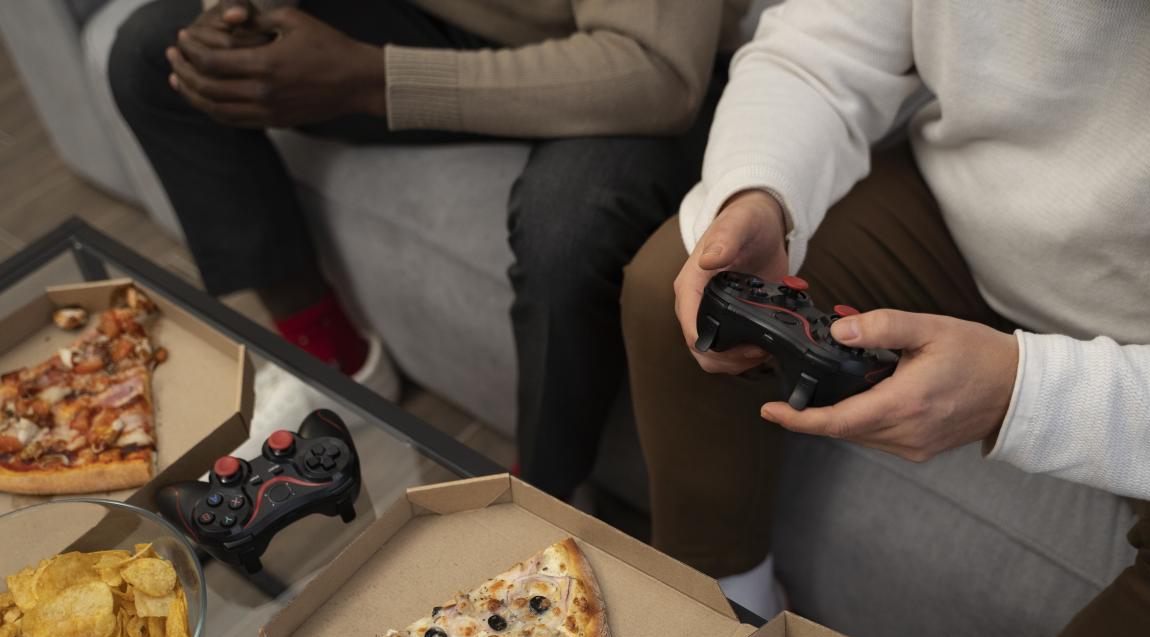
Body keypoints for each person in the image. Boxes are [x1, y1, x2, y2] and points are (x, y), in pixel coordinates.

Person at [620, 0, 1150, 637]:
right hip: (962, 218)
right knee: (677, 286)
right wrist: (759, 194)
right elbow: (822, 43)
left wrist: (1023, 393)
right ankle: (730, 614)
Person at [109, 0, 747, 493]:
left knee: (568, 227)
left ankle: (548, 495)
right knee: (161, 53)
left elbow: (659, 74)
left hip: (642, 61)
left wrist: (376, 81)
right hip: (440, 20)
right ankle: (333, 362)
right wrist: (235, 18)